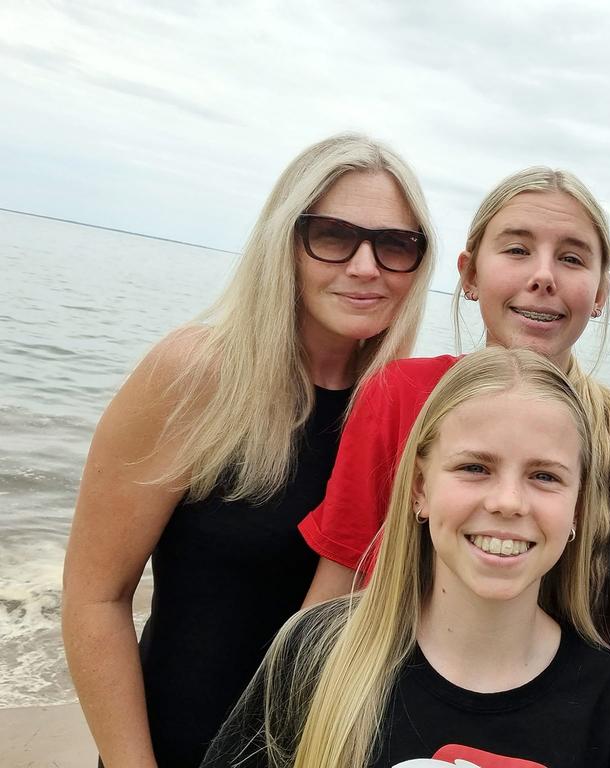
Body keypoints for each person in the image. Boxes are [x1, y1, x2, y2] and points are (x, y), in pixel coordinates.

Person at [61, 133, 437, 768]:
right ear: (284, 241)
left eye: (395, 243)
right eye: (333, 235)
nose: (366, 266)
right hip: (174, 747)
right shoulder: (197, 374)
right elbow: (95, 596)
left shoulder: (408, 411)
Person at [202, 347, 610, 768]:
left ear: (577, 506)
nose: (508, 502)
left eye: (545, 476)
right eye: (475, 467)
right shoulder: (314, 653)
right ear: (419, 489)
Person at [298, 167, 610, 665]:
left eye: (571, 258)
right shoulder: (399, 394)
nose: (543, 276)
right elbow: (335, 594)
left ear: (600, 292)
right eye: (517, 250)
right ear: (470, 274)